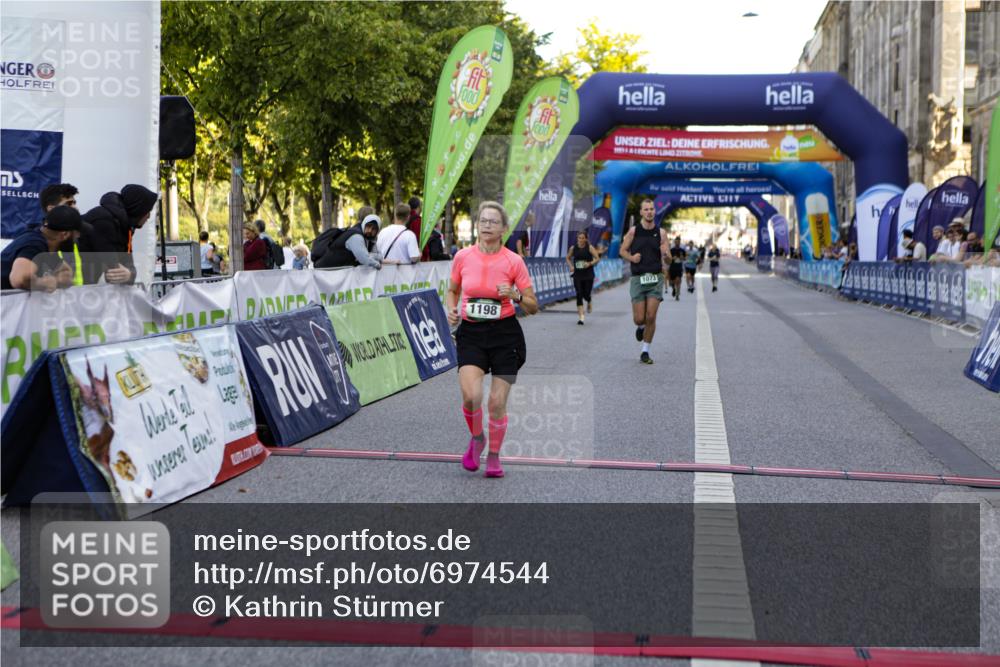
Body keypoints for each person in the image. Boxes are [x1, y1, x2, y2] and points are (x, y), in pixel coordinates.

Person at [447, 201, 538, 479]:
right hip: (472, 334)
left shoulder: (514, 261)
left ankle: (495, 457)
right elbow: (452, 290)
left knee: (496, 402)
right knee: (471, 395)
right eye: (483, 221)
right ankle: (477, 439)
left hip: (504, 335)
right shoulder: (463, 257)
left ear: (504, 229)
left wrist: (515, 296)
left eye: (493, 222)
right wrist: (451, 309)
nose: (486, 226)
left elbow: (533, 305)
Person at [620, 199, 671, 365]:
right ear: (641, 212)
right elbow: (622, 250)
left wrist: (667, 256)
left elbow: (668, 259)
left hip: (656, 278)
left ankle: (645, 351)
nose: (649, 212)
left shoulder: (661, 233)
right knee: (639, 318)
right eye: (646, 209)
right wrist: (632, 258)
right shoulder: (634, 232)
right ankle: (641, 328)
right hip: (638, 278)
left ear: (654, 212)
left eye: (652, 209)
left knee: (651, 316)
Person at [79, 184, 157, 285]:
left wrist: (129, 274)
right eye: (148, 211)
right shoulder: (104, 221)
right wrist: (128, 274)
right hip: (73, 286)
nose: (148, 216)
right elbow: (113, 270)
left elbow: (126, 265)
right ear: (138, 209)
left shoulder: (125, 226)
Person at [1, 206, 90, 291]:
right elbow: (19, 279)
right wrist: (43, 283)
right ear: (65, 235)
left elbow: (66, 272)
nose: (77, 238)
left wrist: (58, 280)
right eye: (76, 234)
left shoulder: (47, 245)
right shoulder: (34, 244)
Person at [314, 212, 382, 269]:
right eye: (368, 226)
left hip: (334, 272)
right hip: (324, 272)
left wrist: (376, 256)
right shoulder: (356, 236)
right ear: (364, 224)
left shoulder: (368, 238)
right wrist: (378, 265)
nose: (370, 230)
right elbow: (364, 259)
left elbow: (375, 254)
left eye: (374, 229)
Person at [566, 229, 600, 325]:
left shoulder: (590, 248)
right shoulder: (573, 248)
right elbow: (567, 258)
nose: (581, 240)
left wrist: (590, 263)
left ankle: (589, 300)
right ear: (577, 238)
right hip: (577, 274)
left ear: (586, 239)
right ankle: (581, 317)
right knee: (579, 294)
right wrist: (571, 266)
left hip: (588, 274)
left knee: (586, 294)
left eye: (583, 238)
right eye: (579, 238)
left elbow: (597, 258)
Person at [667, 236, 686, 300]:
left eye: (679, 241)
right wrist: (672, 258)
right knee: (671, 282)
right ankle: (674, 289)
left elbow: (685, 258)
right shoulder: (671, 250)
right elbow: (668, 259)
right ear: (675, 242)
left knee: (678, 281)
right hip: (672, 267)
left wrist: (682, 257)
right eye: (676, 241)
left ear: (680, 242)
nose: (677, 242)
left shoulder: (682, 250)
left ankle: (677, 295)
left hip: (679, 267)